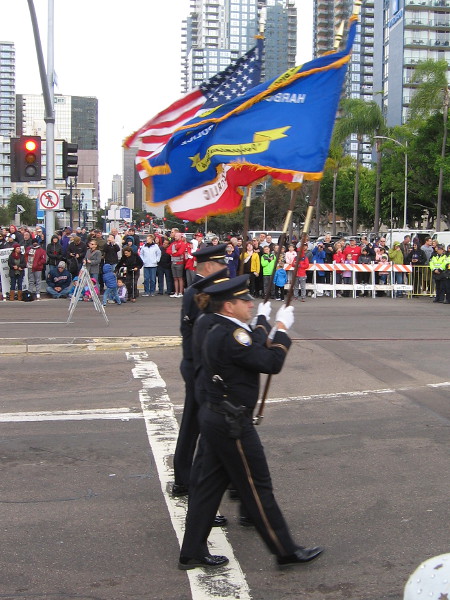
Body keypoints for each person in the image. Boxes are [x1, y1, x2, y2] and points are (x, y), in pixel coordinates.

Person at [178, 275, 323, 570]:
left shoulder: (214, 324)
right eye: (244, 301)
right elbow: (270, 362)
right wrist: (281, 329)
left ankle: (191, 551)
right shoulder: (231, 335)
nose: (250, 303)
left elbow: (251, 344)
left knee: (208, 486)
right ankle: (285, 550)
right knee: (257, 485)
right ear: (229, 306)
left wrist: (263, 323)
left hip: (215, 415)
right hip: (231, 422)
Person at [173, 244, 229, 498]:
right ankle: (187, 479)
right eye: (220, 264)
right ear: (209, 266)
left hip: (198, 365)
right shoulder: (200, 291)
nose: (224, 268)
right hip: (199, 367)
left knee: (197, 423)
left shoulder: (202, 288)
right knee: (198, 426)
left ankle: (193, 477)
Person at [167, 230, 188, 297]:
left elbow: (180, 253)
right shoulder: (173, 243)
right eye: (175, 236)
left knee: (180, 278)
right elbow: (168, 250)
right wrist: (173, 252)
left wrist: (173, 253)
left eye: (176, 236)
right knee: (175, 278)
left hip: (179, 263)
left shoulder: (182, 244)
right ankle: (176, 292)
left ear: (180, 236)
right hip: (173, 262)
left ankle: (180, 292)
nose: (175, 237)